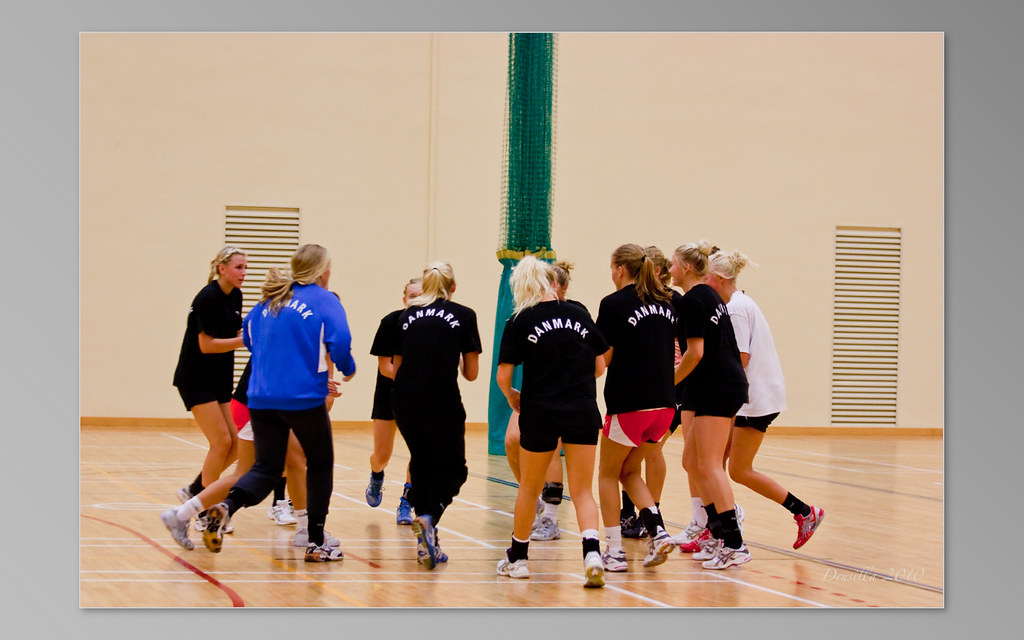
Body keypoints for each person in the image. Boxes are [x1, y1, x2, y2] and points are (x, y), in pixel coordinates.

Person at [201, 244, 357, 562]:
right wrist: (348, 367)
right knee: (320, 463)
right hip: (302, 398)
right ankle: (315, 540)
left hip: (259, 398)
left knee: (266, 468)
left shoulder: (271, 300)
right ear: (323, 271)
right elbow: (340, 341)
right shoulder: (323, 298)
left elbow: (248, 333)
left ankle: (226, 507)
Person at [494, 256, 608, 587]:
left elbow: (503, 375)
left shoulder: (519, 321)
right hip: (582, 410)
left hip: (540, 411)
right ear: (550, 282)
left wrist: (512, 396)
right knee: (584, 490)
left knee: (529, 489)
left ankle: (518, 559)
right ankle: (592, 553)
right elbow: (600, 367)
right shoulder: (580, 314)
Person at [706, 249, 824, 549]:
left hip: (753, 398)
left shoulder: (736, 308)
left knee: (735, 469)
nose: (703, 280)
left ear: (718, 278)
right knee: (714, 465)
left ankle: (804, 512)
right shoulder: (740, 302)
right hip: (754, 395)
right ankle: (714, 528)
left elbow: (740, 358)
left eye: (707, 275)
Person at [159, 358, 326, 550]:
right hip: (262, 402)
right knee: (283, 465)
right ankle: (306, 529)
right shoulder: (286, 332)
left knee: (285, 465)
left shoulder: (272, 330)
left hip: (256, 399)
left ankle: (182, 514)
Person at [390, 261, 482, 569]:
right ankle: (429, 518)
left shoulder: (405, 316)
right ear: (452, 287)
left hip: (403, 399)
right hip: (441, 398)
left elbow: (397, 366)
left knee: (421, 463)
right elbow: (471, 373)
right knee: (455, 469)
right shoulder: (465, 315)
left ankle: (426, 542)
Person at [594, 243, 678, 572]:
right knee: (630, 471)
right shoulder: (667, 302)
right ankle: (658, 532)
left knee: (607, 474)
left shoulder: (613, 304)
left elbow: (605, 359)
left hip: (630, 403)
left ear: (619, 269)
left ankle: (613, 550)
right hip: (664, 406)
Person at [669, 240, 751, 570]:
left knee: (711, 465)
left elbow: (696, 353)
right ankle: (716, 532)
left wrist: (667, 382)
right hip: (708, 386)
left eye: (673, 264)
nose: (669, 270)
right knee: (693, 462)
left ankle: (735, 543)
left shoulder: (694, 300)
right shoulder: (708, 296)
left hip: (719, 386)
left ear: (686, 268)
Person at [502, 260, 578, 542]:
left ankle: (551, 517)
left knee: (552, 448)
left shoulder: (574, 313)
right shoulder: (528, 316)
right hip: (534, 392)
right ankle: (532, 494)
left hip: (566, 395)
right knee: (512, 440)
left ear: (559, 287)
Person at [172, 246, 247, 520]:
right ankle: (204, 511)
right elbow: (206, 344)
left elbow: (234, 332)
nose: (243, 273)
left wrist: (252, 330)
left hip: (218, 378)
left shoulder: (235, 296)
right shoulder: (207, 298)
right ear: (222, 268)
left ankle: (196, 489)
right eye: (238, 267)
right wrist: (244, 341)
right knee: (221, 442)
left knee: (236, 444)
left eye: (245, 268)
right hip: (196, 377)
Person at [618, 246, 682, 539]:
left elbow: (692, 349)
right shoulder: (639, 301)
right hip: (647, 388)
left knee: (651, 451)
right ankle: (631, 512)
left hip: (669, 389)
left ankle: (651, 512)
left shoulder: (672, 301)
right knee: (629, 456)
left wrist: (674, 379)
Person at [365, 278, 422, 525]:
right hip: (388, 394)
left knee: (418, 453)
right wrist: (414, 374)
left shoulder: (429, 325)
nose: (416, 300)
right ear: (404, 299)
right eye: (412, 295)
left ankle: (406, 503)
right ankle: (376, 476)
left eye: (421, 296)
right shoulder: (390, 322)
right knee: (382, 454)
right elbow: (385, 366)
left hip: (418, 395)